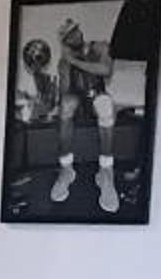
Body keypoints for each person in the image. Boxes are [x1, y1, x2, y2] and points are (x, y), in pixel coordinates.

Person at [49, 14, 120, 214]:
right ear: (65, 42)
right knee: (66, 105)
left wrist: (74, 61)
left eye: (75, 31)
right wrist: (65, 66)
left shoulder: (99, 47)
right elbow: (65, 93)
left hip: (97, 95)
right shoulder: (65, 62)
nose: (74, 36)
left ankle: (106, 172)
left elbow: (105, 70)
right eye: (69, 36)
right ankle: (66, 169)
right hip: (78, 100)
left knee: (105, 104)